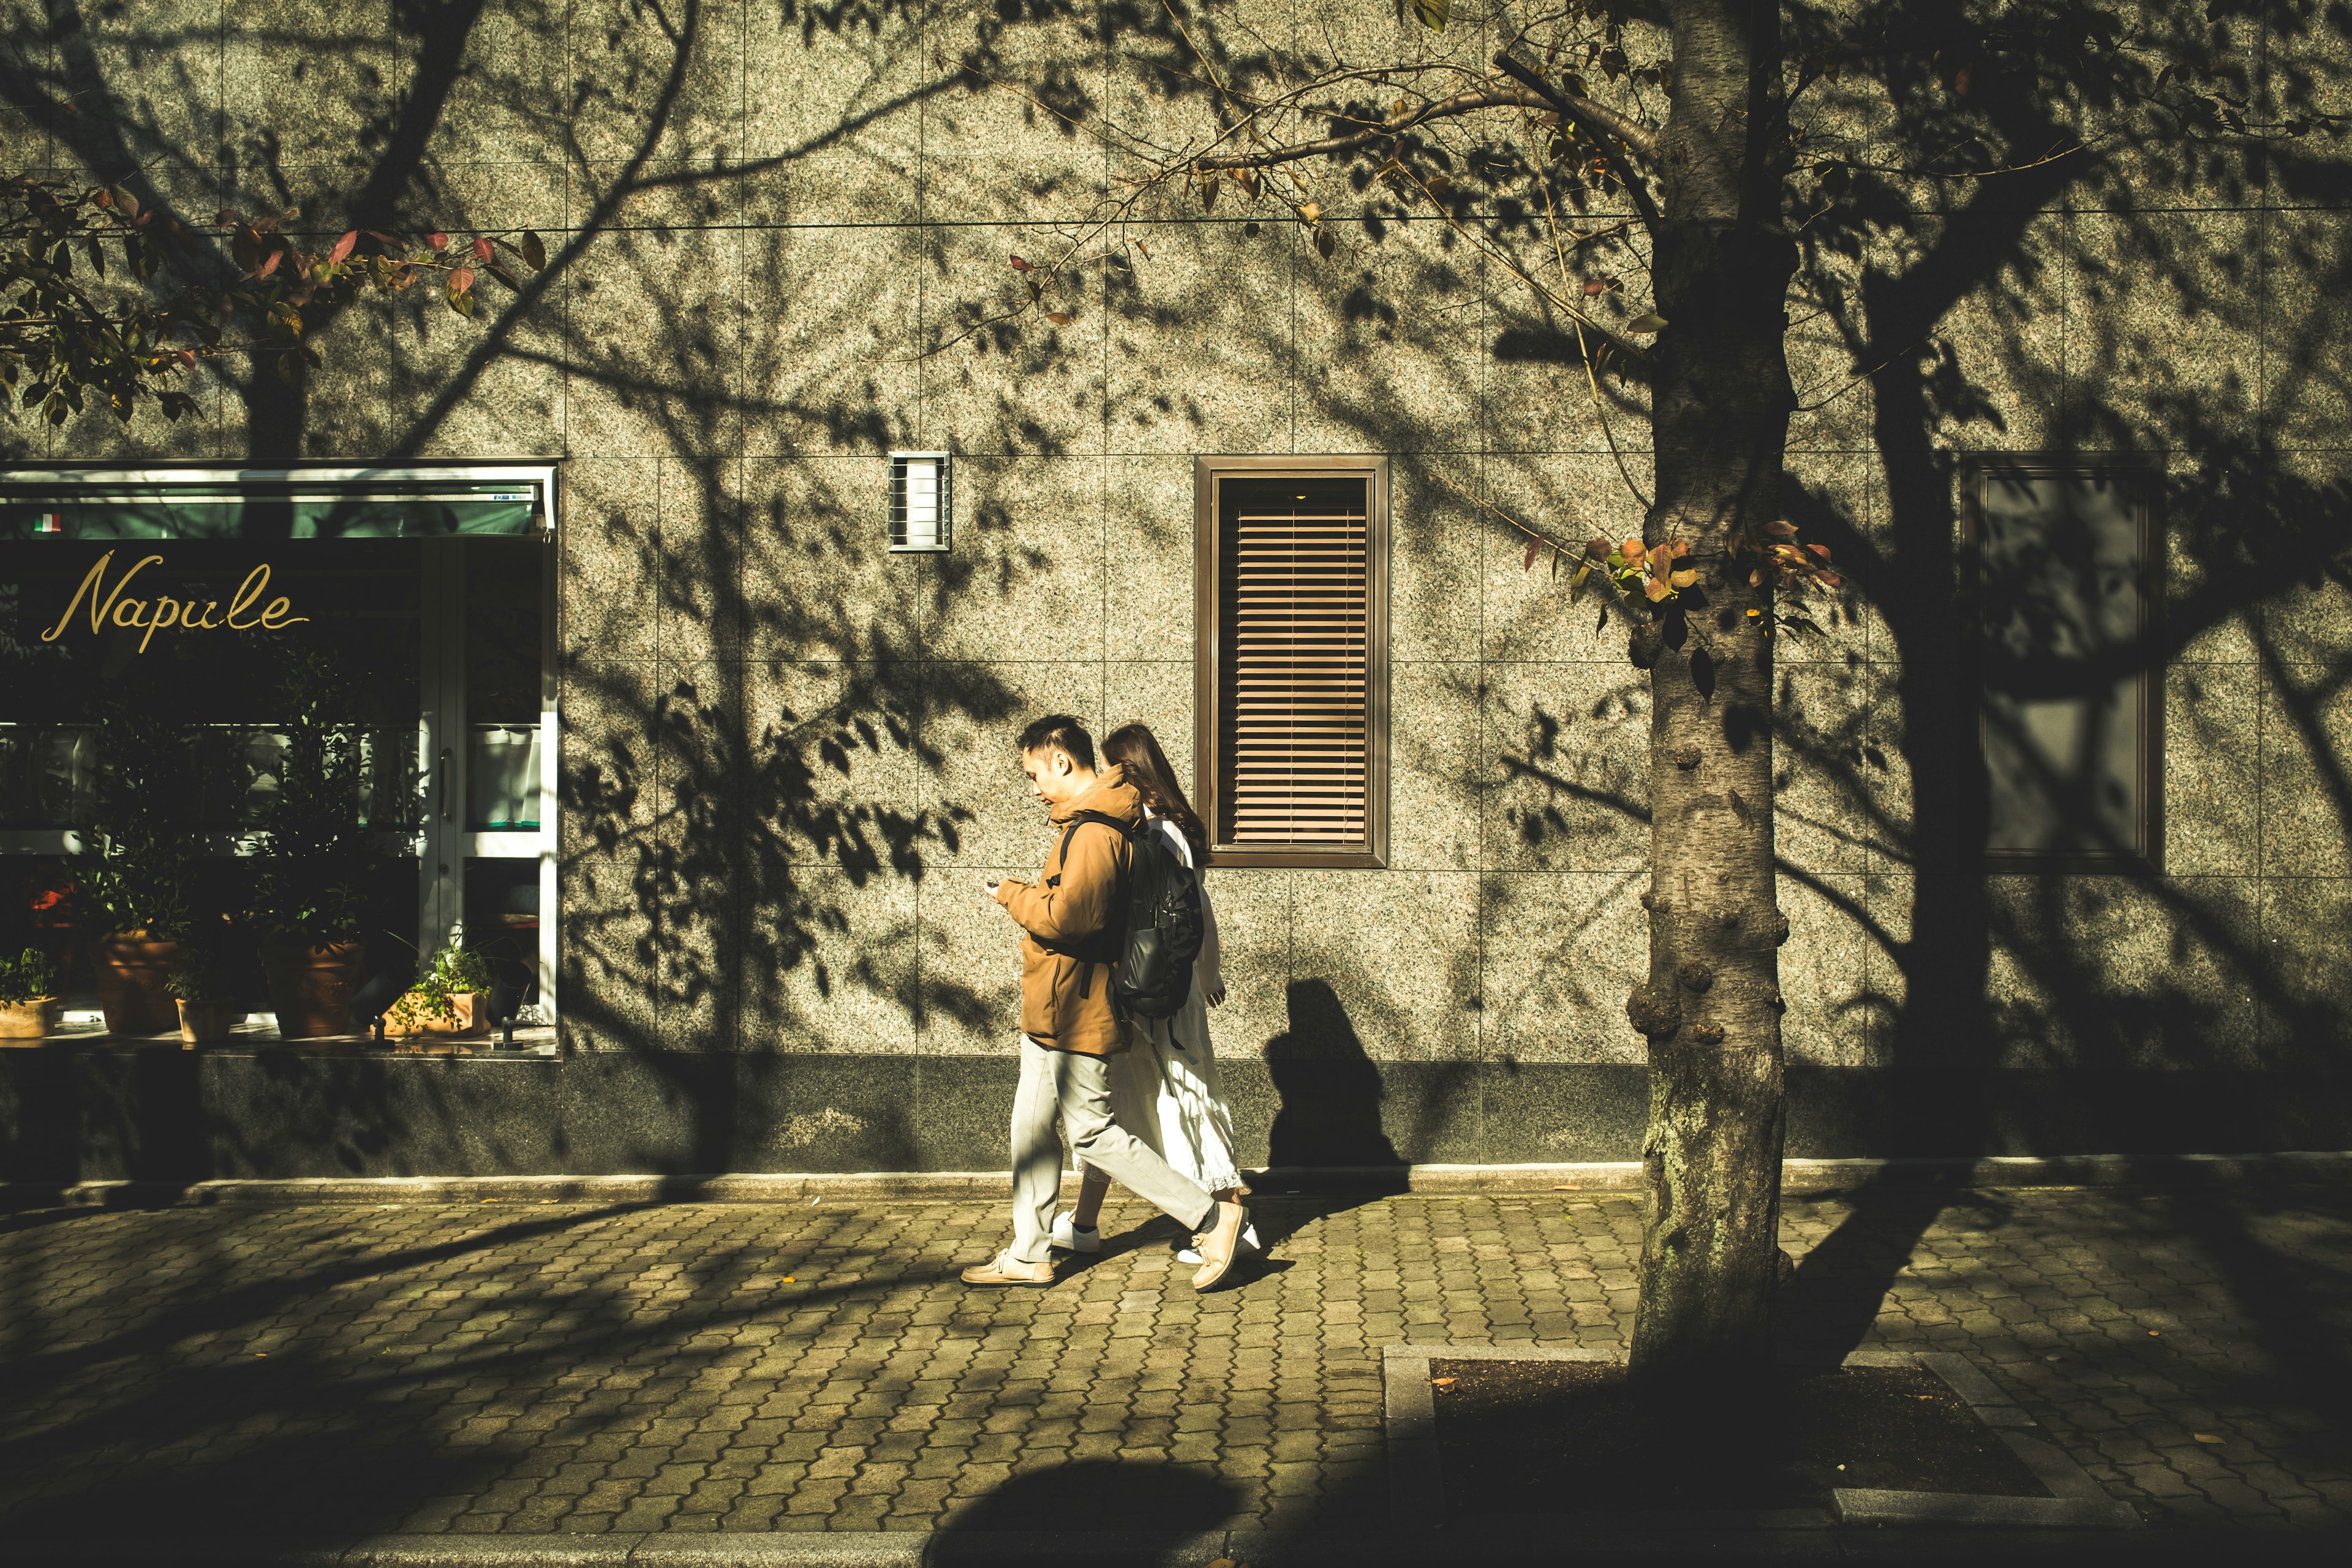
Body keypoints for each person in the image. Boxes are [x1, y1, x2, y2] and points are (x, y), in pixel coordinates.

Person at [960, 715, 1250, 1292]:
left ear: (1062, 760)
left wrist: (1011, 895)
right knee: (1032, 1130)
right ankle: (1028, 1253)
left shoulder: (1095, 829)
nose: (1034, 787)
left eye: (1034, 773)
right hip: (1054, 1005)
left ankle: (1213, 1216)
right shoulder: (1085, 823)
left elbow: (1071, 919)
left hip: (1075, 1007)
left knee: (1092, 1132)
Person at [1052, 722, 1259, 1265]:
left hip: (1161, 991)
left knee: (1187, 1097)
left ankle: (1232, 1218)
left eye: (1114, 766)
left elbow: (1191, 910)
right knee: (1112, 1107)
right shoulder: (1154, 826)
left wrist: (1205, 974)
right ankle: (1085, 1222)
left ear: (1132, 768)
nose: (1108, 776)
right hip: (1146, 987)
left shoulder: (1157, 830)